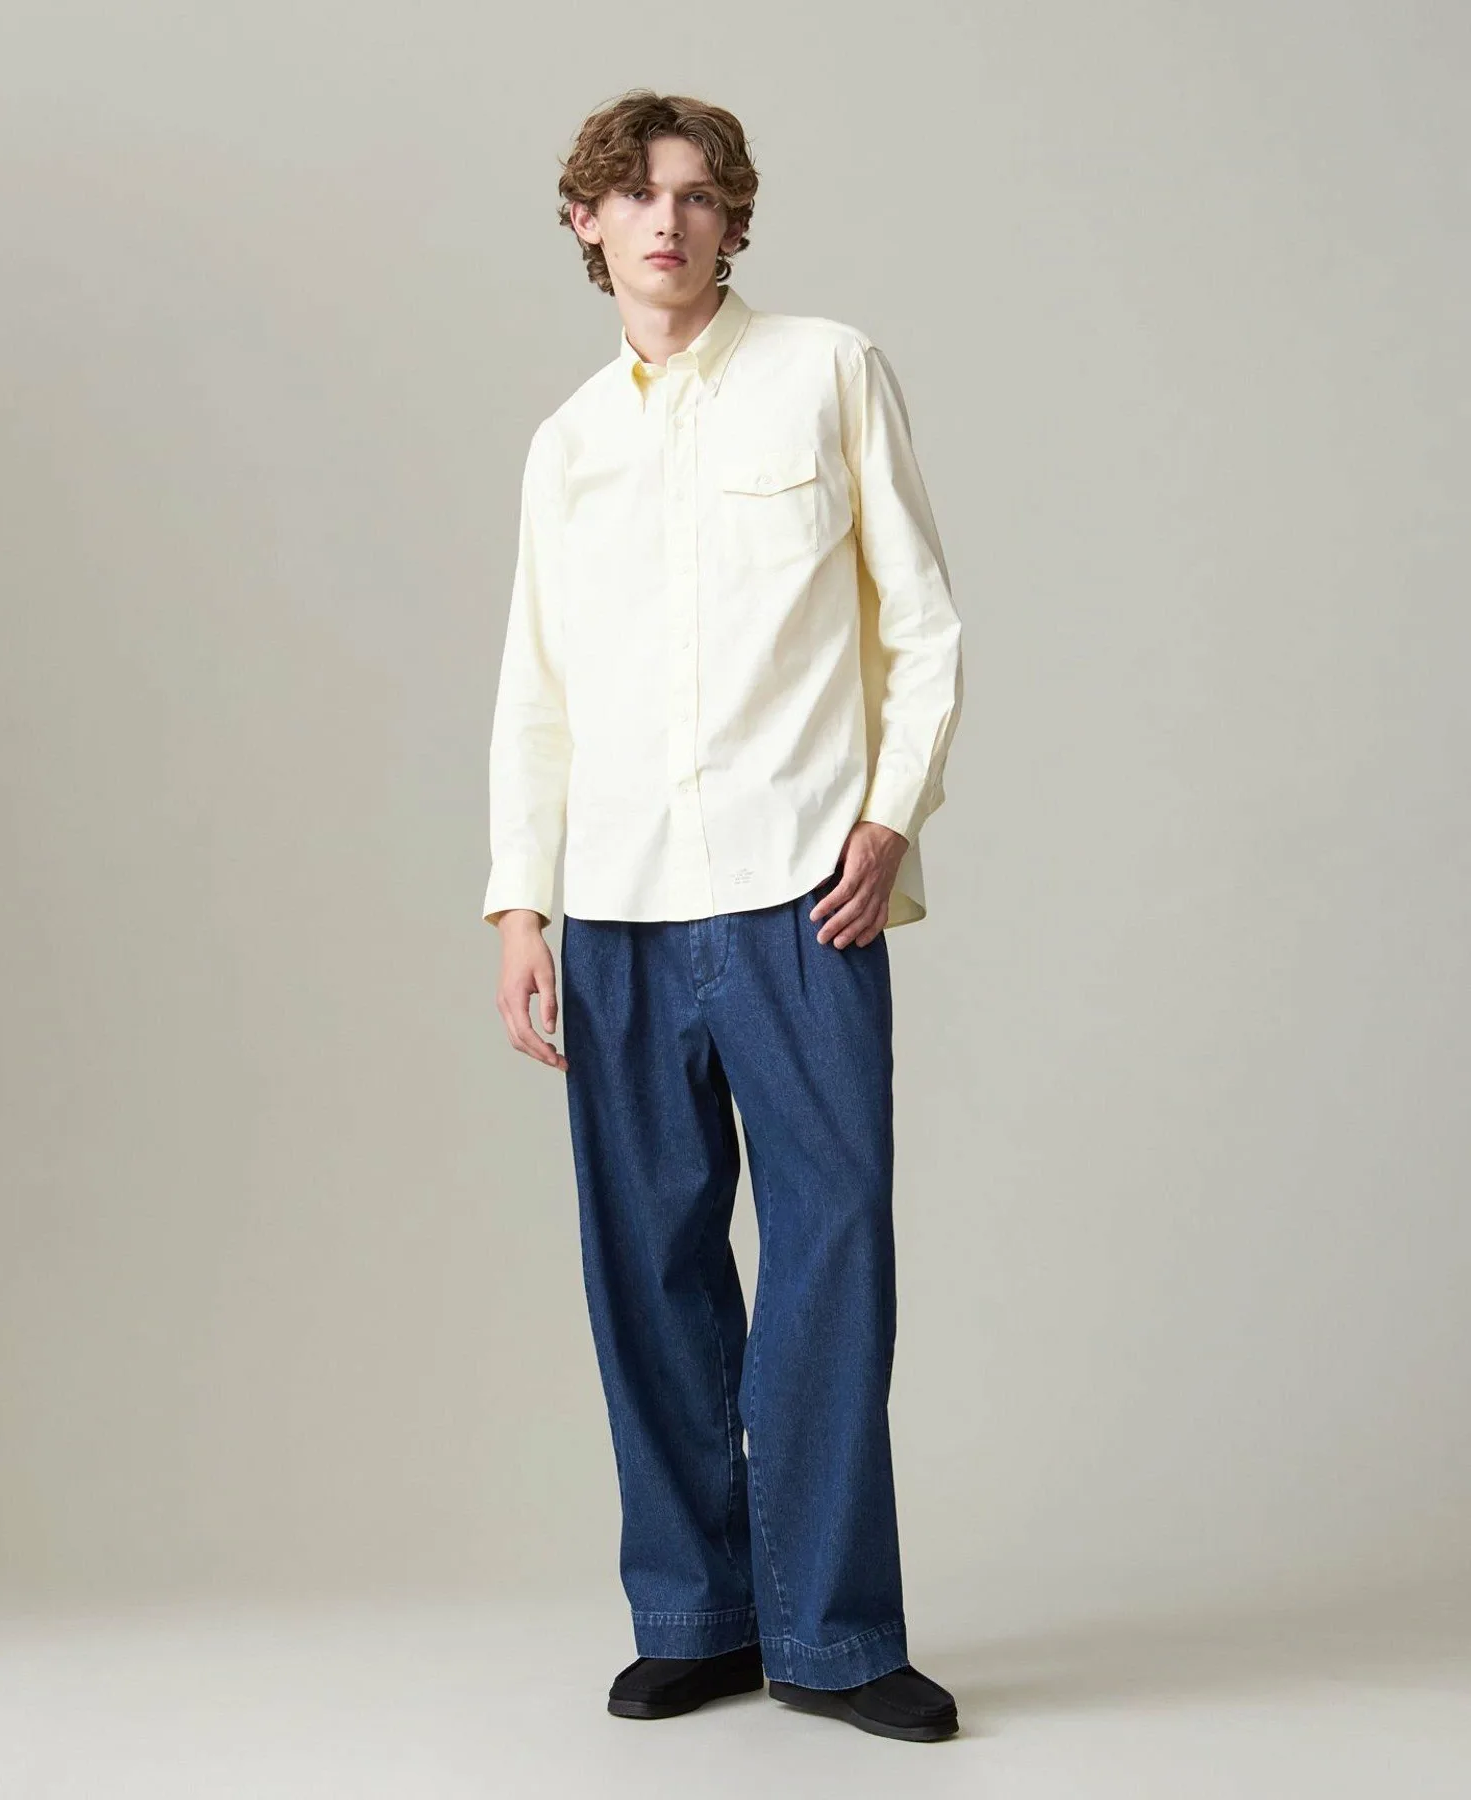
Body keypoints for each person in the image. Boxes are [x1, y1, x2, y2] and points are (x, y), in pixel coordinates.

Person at [482, 89, 965, 1744]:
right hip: (615, 903)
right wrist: (520, 905)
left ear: (733, 221)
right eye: (636, 197)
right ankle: (695, 1614)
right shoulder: (567, 445)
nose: (667, 222)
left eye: (696, 196)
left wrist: (890, 814)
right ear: (587, 224)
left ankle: (834, 1634)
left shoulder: (829, 370)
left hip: (801, 894)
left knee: (833, 1247)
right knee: (650, 1262)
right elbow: (535, 689)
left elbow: (923, 621)